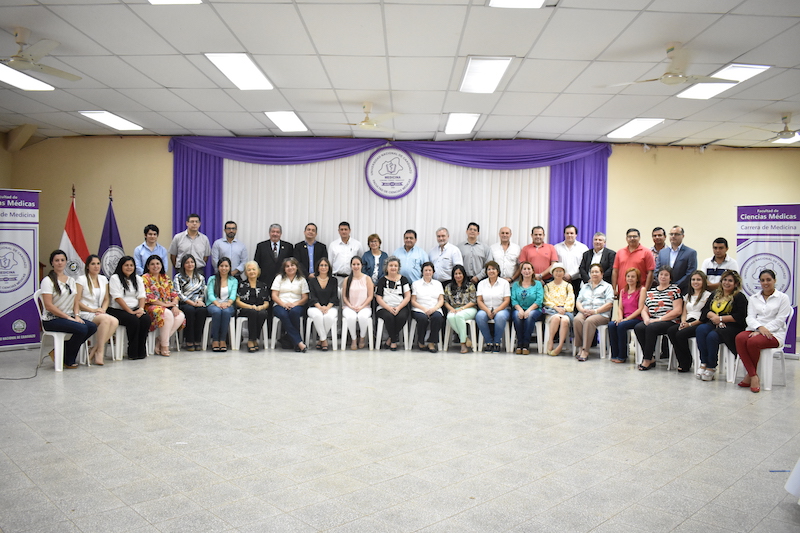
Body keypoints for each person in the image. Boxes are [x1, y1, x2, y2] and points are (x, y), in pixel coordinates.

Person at [735, 269, 792, 393]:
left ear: (774, 280)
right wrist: (759, 328)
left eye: (768, 280)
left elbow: (780, 320)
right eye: (762, 280)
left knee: (753, 342)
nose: (765, 283)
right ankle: (753, 375)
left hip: (775, 333)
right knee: (739, 338)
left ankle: (750, 377)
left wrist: (763, 330)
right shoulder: (754, 298)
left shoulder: (783, 298)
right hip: (755, 329)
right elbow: (749, 317)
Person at [40, 250, 98, 369]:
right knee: (82, 329)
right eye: (57, 260)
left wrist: (76, 316)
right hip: (52, 319)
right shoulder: (47, 281)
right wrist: (68, 317)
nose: (60, 263)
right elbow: (48, 306)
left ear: (66, 262)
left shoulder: (71, 280)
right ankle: (69, 358)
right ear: (52, 263)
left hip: (69, 316)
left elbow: (75, 301)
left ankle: (63, 350)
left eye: (62, 260)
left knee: (91, 327)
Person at [695, 270, 747, 382]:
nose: (726, 283)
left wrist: (721, 319)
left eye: (730, 281)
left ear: (736, 283)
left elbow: (740, 316)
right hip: (714, 322)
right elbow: (705, 310)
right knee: (701, 329)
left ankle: (711, 366)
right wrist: (715, 318)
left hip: (731, 327)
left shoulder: (739, 297)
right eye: (724, 280)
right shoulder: (715, 294)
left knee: (712, 336)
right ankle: (703, 362)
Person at [634, 266, 683, 371]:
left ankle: (646, 360)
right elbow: (643, 309)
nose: (663, 277)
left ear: (670, 277)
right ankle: (650, 357)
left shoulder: (675, 289)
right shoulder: (651, 291)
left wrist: (659, 319)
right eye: (661, 274)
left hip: (669, 321)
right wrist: (646, 319)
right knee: (639, 327)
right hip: (653, 320)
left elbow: (678, 310)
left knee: (651, 328)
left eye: (666, 275)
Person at [76, 254, 119, 365]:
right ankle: (100, 351)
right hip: (85, 312)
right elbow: (77, 301)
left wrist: (103, 309)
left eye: (98, 263)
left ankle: (94, 349)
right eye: (93, 264)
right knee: (105, 320)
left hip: (99, 312)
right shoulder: (81, 279)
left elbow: (106, 299)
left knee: (115, 321)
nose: (96, 266)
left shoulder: (103, 279)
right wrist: (92, 310)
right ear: (87, 266)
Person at [666, 270, 711, 373]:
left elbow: (704, 317)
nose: (695, 282)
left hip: (699, 323)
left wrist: (689, 324)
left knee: (680, 334)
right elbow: (684, 312)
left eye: (698, 280)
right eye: (693, 279)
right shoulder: (687, 296)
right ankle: (681, 359)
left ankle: (686, 362)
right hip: (687, 321)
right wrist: (683, 322)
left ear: (703, 281)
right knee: (671, 331)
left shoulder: (707, 295)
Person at [107, 256, 151, 360]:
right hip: (117, 310)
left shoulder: (138, 278)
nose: (129, 267)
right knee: (133, 320)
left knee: (146, 319)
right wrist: (130, 312)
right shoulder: (115, 278)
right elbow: (118, 298)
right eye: (126, 265)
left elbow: (142, 296)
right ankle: (132, 351)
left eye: (131, 265)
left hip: (135, 308)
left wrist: (140, 309)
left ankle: (141, 350)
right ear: (121, 266)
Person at [142, 255, 185, 357]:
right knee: (167, 313)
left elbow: (174, 294)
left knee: (180, 315)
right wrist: (166, 305)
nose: (155, 266)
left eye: (158, 263)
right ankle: (165, 346)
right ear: (148, 266)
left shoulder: (165, 277)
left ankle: (160, 340)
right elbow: (148, 297)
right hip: (151, 307)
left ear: (161, 265)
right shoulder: (144, 278)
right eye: (152, 264)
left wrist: (174, 305)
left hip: (167, 305)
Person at [573, 264, 614, 361]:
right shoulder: (585, 286)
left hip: (601, 314)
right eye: (592, 272)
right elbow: (578, 301)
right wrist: (582, 310)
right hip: (585, 311)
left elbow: (609, 304)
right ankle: (580, 347)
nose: (594, 274)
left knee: (589, 321)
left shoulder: (607, 286)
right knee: (577, 319)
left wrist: (595, 311)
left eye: (597, 272)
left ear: (602, 274)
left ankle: (585, 350)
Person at [271, 257, 309, 352]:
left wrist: (296, 303)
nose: (290, 268)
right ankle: (298, 342)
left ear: (296, 267)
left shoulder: (302, 279)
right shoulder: (279, 278)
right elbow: (274, 295)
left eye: (292, 265)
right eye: (287, 266)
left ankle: (294, 341)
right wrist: (283, 304)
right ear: (284, 268)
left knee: (294, 313)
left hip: (297, 305)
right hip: (280, 304)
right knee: (283, 314)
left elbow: (305, 298)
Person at [608, 267, 646, 363]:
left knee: (621, 325)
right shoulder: (623, 291)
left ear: (637, 278)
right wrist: (620, 318)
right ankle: (614, 354)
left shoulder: (642, 290)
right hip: (625, 318)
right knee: (612, 325)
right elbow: (620, 308)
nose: (630, 278)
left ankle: (622, 356)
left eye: (633, 276)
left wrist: (626, 319)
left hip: (637, 318)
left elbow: (640, 308)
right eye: (628, 276)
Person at [375, 256, 411, 351]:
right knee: (389, 317)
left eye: (395, 266)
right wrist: (388, 308)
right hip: (384, 307)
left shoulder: (404, 279)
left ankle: (390, 339)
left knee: (402, 317)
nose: (393, 268)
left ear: (398, 268)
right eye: (391, 265)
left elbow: (407, 296)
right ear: (387, 267)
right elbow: (378, 298)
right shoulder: (382, 280)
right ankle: (394, 341)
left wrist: (398, 308)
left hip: (400, 306)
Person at [476, 261, 511, 353]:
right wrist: (487, 311)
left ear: (498, 271)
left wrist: (496, 311)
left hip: (501, 309)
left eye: (493, 269)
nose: (491, 271)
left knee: (500, 317)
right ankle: (488, 342)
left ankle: (497, 342)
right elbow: (479, 300)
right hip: (485, 308)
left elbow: (506, 300)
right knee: (479, 316)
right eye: (489, 269)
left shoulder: (504, 283)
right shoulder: (481, 283)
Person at [173, 254, 207, 352]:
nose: (190, 264)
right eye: (187, 262)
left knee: (202, 311)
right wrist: (192, 303)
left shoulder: (200, 277)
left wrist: (199, 300)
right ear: (183, 265)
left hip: (197, 302)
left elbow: (202, 292)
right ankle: (189, 340)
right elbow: (178, 293)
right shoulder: (178, 277)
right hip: (184, 303)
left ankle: (197, 340)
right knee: (190, 311)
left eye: (192, 262)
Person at [235, 261, 270, 352]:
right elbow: (237, 302)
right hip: (244, 308)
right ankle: (251, 340)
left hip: (259, 308)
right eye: (249, 270)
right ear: (246, 272)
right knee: (253, 312)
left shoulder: (263, 285)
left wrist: (261, 307)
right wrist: (250, 307)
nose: (251, 271)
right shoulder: (241, 284)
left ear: (258, 271)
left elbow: (266, 303)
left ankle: (254, 338)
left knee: (263, 313)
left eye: (254, 269)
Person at [205, 257, 238, 352]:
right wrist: (217, 304)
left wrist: (228, 303)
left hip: (228, 305)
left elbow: (233, 295)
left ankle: (223, 340)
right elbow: (210, 294)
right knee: (217, 312)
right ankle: (215, 340)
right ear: (218, 267)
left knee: (226, 312)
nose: (224, 268)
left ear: (230, 267)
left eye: (226, 266)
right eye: (222, 266)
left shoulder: (233, 280)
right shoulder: (212, 279)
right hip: (214, 304)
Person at [411, 262, 445, 353]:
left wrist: (434, 308)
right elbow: (413, 301)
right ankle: (421, 341)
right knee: (423, 319)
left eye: (430, 270)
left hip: (435, 308)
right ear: (422, 272)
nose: (428, 272)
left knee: (437, 317)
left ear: (433, 272)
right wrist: (424, 309)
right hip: (419, 309)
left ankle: (432, 342)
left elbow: (441, 300)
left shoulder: (438, 284)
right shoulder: (416, 284)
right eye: (426, 270)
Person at [511, 261, 543, 355]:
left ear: (533, 271)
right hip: (519, 308)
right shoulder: (516, 285)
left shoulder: (538, 284)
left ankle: (526, 344)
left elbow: (539, 300)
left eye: (529, 269)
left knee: (529, 316)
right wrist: (520, 309)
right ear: (521, 271)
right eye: (524, 269)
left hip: (535, 309)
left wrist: (528, 310)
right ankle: (519, 343)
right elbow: (513, 300)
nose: (526, 271)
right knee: (517, 316)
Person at [611, 228, 656, 295]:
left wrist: (646, 290)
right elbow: (615, 271)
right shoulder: (620, 252)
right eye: (629, 236)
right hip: (623, 291)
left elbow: (650, 273)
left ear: (639, 238)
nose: (632, 238)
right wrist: (614, 289)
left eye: (635, 236)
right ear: (626, 238)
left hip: (639, 291)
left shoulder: (646, 252)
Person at [306, 257, 338, 350]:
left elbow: (334, 297)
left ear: (329, 267)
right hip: (314, 307)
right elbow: (312, 296)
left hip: (330, 307)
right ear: (318, 267)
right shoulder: (312, 281)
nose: (323, 267)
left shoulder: (333, 280)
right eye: (321, 265)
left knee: (328, 316)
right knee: (318, 316)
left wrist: (327, 307)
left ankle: (321, 339)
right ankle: (324, 340)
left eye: (325, 265)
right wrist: (320, 307)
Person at [444, 265, 477, 354]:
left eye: (460, 273)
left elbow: (473, 301)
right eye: (456, 274)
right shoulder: (448, 286)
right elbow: (445, 301)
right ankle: (466, 338)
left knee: (459, 315)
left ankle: (463, 344)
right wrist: (451, 309)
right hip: (454, 309)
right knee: (450, 317)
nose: (458, 276)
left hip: (469, 308)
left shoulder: (470, 285)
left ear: (463, 274)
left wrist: (462, 308)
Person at [341, 256, 372, 350]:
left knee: (362, 317)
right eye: (354, 264)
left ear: (361, 265)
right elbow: (344, 296)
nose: (356, 266)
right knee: (351, 317)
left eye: (358, 264)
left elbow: (370, 296)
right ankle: (354, 339)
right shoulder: (347, 279)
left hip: (364, 307)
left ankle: (362, 338)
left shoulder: (367, 278)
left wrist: (362, 306)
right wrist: (350, 305)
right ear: (351, 266)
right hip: (349, 307)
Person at [543, 263, 575, 356]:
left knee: (564, 320)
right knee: (556, 318)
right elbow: (546, 300)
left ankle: (561, 345)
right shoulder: (547, 286)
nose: (558, 273)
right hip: (552, 311)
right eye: (556, 271)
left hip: (565, 311)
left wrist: (564, 309)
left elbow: (571, 299)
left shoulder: (568, 286)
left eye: (560, 271)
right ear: (552, 273)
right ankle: (551, 341)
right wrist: (556, 308)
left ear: (563, 273)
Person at [655, 225, 697, 294]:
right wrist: (664, 284)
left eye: (676, 234)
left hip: (682, 291)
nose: (673, 236)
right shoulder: (662, 252)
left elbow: (690, 273)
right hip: (663, 291)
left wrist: (675, 286)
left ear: (683, 236)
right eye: (671, 234)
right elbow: (657, 271)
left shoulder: (690, 253)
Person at [254, 223, 293, 290]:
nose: (275, 234)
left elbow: (292, 264)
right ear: (269, 233)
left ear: (281, 234)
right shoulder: (261, 246)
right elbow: (256, 263)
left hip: (283, 279)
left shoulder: (288, 246)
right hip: (265, 280)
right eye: (273, 232)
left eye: (277, 232)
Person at [554, 225, 589, 295]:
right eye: (567, 233)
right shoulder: (556, 247)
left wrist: (571, 275)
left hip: (577, 281)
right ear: (564, 234)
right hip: (560, 280)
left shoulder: (583, 248)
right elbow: (554, 264)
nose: (569, 235)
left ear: (576, 235)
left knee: (575, 304)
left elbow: (584, 265)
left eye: (572, 233)